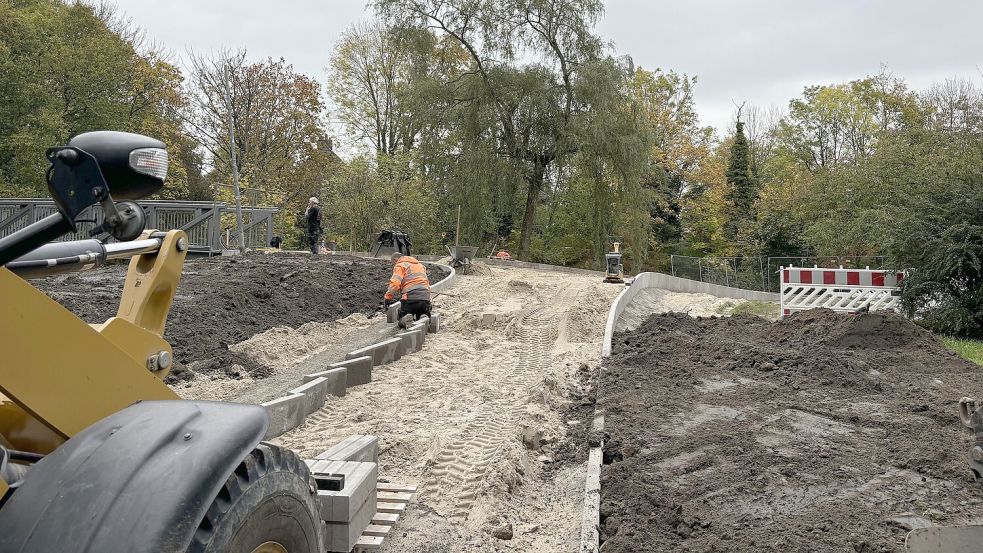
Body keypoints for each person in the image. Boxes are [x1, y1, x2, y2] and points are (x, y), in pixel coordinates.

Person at [384, 251, 431, 328]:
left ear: (396, 260)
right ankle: (424, 317)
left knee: (401, 317)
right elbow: (427, 284)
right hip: (425, 298)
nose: (393, 265)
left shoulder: (400, 265)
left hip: (410, 299)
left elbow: (395, 284)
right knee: (422, 313)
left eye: (393, 263)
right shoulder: (420, 266)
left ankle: (406, 319)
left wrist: (387, 297)